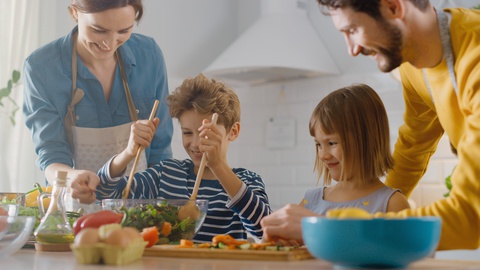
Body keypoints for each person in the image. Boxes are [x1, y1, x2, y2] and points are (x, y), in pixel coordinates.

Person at [262, 0, 480, 251]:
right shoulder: (413, 65)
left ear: (393, 7)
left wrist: (325, 226)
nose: (352, 50)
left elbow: (469, 216)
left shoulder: (474, 57)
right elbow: (415, 145)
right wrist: (381, 205)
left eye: (352, 30)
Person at [22, 0, 173, 207]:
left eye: (124, 31)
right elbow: (51, 155)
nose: (110, 43)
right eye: (98, 30)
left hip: (142, 211)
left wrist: (163, 210)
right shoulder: (41, 68)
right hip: (74, 208)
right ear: (75, 12)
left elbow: (161, 150)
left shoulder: (149, 55)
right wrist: (71, 177)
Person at [90, 73, 271, 242]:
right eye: (187, 133)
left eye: (205, 133)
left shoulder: (247, 181)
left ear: (233, 131)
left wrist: (218, 166)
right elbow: (103, 193)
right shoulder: (166, 174)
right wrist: (128, 152)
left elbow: (265, 231)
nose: (196, 143)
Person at [301, 84, 410, 217]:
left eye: (332, 143)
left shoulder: (392, 204)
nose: (323, 155)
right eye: (318, 145)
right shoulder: (311, 201)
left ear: (367, 139)